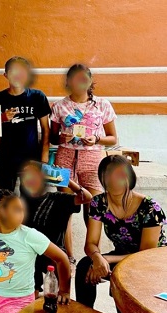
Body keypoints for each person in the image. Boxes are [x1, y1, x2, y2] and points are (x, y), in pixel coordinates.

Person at [76, 156, 166, 313]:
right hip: (121, 257)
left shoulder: (150, 207)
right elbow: (90, 243)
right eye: (108, 176)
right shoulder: (98, 203)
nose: (114, 181)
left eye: (119, 175)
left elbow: (145, 254)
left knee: (121, 279)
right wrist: (97, 258)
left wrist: (107, 260)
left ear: (129, 178)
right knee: (83, 267)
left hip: (154, 261)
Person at [50, 64, 118, 211]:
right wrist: (62, 138)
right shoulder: (59, 106)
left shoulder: (102, 105)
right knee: (63, 208)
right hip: (64, 159)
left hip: (93, 159)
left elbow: (113, 138)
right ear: (67, 82)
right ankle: (65, 236)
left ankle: (93, 236)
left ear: (90, 81)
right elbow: (52, 138)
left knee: (93, 209)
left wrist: (97, 139)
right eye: (75, 79)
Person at [19, 161, 91, 295]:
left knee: (57, 262)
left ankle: (63, 294)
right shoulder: (22, 202)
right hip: (31, 252)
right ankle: (32, 293)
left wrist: (68, 181)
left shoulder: (58, 199)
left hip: (54, 252)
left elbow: (86, 197)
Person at [0, 57, 52, 190]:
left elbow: (46, 129)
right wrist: (2, 118)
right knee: (4, 197)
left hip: (31, 157)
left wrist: (44, 158)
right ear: (5, 74)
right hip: (4, 157)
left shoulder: (37, 97)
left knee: (30, 199)